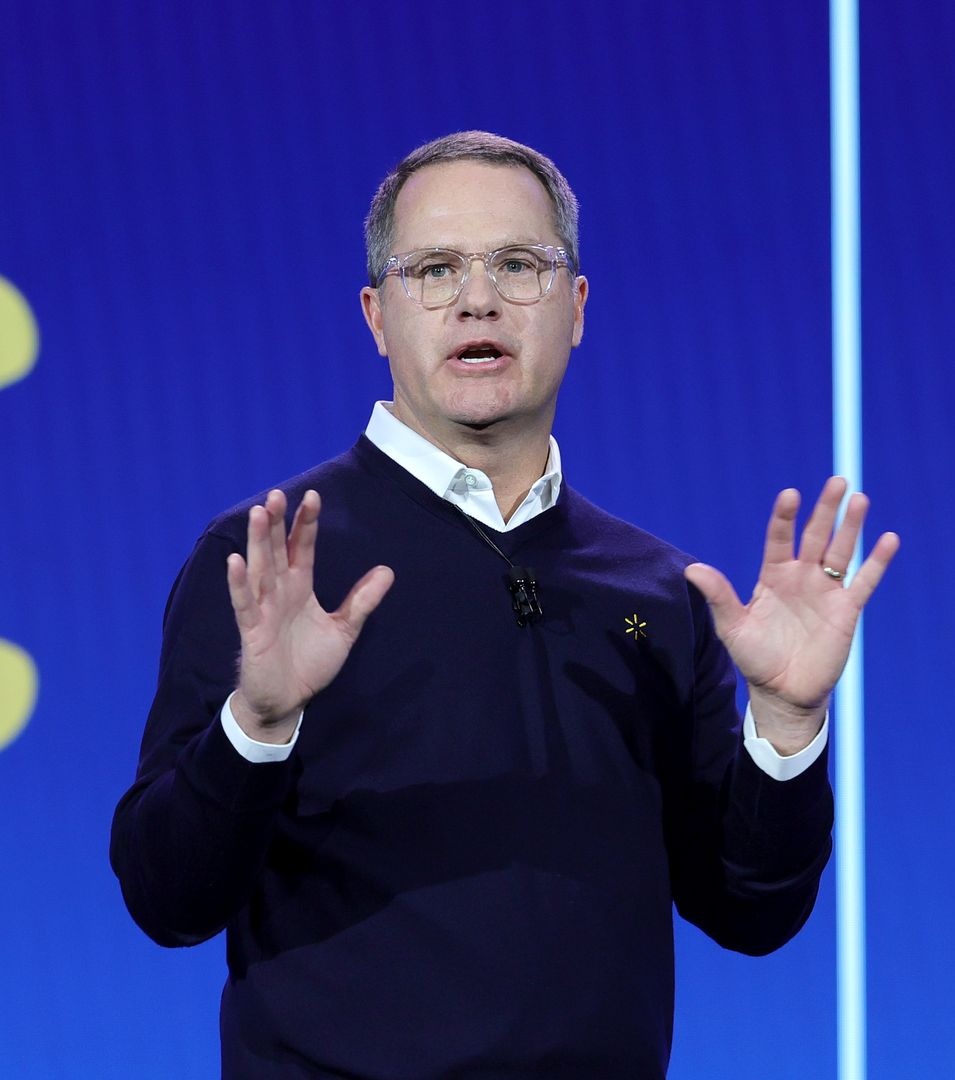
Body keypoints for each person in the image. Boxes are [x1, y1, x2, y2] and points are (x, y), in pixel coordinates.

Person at [108, 132, 899, 1078]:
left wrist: (787, 724)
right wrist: (257, 725)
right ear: (375, 315)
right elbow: (169, 901)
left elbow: (752, 912)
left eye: (518, 265)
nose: (477, 298)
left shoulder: (657, 592)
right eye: (434, 269)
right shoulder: (269, 561)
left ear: (576, 307)